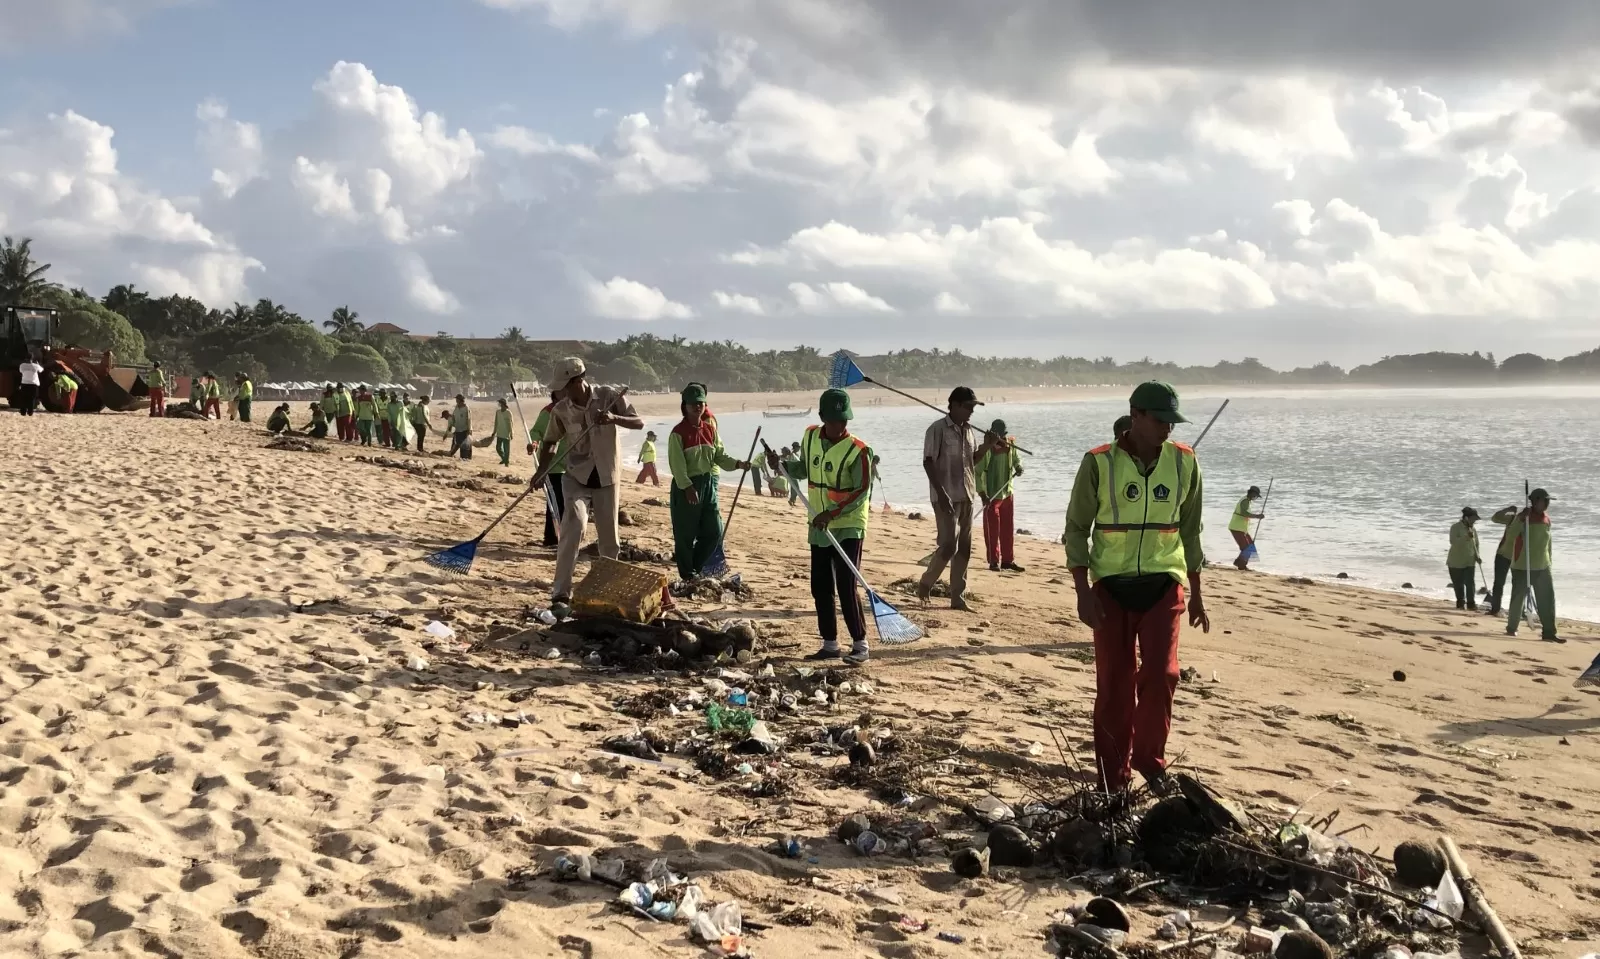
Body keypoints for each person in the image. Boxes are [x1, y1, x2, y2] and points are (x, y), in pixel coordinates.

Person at [1063, 381, 1208, 794]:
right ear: (1136, 415)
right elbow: (1076, 529)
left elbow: (1192, 531)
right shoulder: (1097, 463)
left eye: (1172, 422)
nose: (1167, 429)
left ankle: (1149, 760)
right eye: (1160, 420)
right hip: (1111, 588)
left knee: (1163, 674)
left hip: (1164, 584)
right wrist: (1082, 591)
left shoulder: (1185, 462)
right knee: (1114, 687)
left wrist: (1197, 592)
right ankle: (1114, 780)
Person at [529, 357, 643, 615]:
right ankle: (560, 593)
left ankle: (606, 592)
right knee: (574, 527)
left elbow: (638, 422)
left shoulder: (608, 396)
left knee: (610, 540)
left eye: (564, 386)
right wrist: (541, 470)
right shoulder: (560, 410)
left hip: (607, 478)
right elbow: (549, 442)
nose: (560, 392)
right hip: (576, 478)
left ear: (578, 381)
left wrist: (613, 417)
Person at [801, 388, 875, 664]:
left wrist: (832, 513)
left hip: (848, 525)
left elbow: (861, 491)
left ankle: (860, 644)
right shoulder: (810, 437)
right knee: (820, 585)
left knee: (846, 584)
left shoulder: (859, 450)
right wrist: (781, 464)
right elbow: (803, 469)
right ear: (822, 417)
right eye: (834, 420)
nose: (840, 426)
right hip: (818, 523)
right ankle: (830, 644)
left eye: (843, 420)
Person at [666, 383, 747, 581]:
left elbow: (720, 456)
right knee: (685, 533)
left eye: (701, 403)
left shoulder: (710, 429)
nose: (697, 407)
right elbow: (677, 466)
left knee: (714, 530)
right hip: (687, 485)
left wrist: (738, 464)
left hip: (708, 483)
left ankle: (696, 565)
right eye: (693, 403)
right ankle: (687, 574)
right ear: (685, 406)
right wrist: (687, 487)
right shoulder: (678, 433)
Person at [918, 386, 984, 610]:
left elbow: (971, 462)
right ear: (954, 405)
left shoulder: (969, 431)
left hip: (967, 494)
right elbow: (928, 462)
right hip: (945, 496)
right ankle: (926, 584)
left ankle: (958, 597)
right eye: (967, 407)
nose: (971, 412)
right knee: (948, 547)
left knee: (964, 548)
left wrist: (989, 447)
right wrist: (942, 494)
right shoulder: (937, 430)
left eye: (973, 407)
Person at [1502, 488, 1559, 642]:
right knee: (1518, 598)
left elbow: (1549, 544)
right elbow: (1510, 536)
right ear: (1534, 501)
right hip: (1522, 565)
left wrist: (1550, 562)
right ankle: (1511, 628)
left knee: (1547, 599)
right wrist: (1519, 519)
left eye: (1548, 501)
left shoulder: (1547, 519)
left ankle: (1549, 632)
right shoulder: (1524, 518)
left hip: (1543, 566)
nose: (1547, 504)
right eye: (1544, 501)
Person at [977, 419, 1025, 573]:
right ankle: (993, 561)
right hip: (991, 495)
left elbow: (1017, 459)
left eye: (1001, 435)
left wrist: (1018, 467)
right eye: (996, 436)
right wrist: (982, 493)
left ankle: (1007, 561)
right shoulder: (986, 450)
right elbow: (977, 473)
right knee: (992, 531)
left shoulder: (1010, 445)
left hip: (1007, 493)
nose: (1000, 439)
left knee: (1007, 529)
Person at [527, 392, 568, 546]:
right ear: (556, 396)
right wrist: (535, 442)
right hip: (551, 466)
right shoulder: (548, 412)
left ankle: (562, 536)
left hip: (569, 464)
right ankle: (551, 538)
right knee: (555, 504)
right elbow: (536, 431)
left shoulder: (571, 411)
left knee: (565, 503)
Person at [1447, 507, 1481, 611]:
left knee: (1470, 583)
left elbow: (1476, 544)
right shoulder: (1455, 527)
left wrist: (1477, 555)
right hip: (1456, 561)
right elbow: (1453, 542)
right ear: (1466, 518)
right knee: (1458, 584)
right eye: (1473, 519)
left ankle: (1471, 604)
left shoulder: (1473, 529)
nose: (1474, 521)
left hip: (1470, 561)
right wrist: (1466, 537)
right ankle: (1460, 603)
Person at [1228, 486, 1265, 570]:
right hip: (1236, 527)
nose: (1255, 497)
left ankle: (1239, 562)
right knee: (1245, 547)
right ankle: (1241, 565)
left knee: (1250, 545)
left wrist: (1256, 516)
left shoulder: (1248, 501)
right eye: (1255, 495)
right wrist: (1257, 516)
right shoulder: (1245, 501)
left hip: (1242, 528)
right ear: (1251, 493)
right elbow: (1244, 513)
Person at [447, 394, 472, 459]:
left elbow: (469, 419)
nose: (456, 400)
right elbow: (454, 417)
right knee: (458, 443)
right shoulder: (456, 407)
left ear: (461, 400)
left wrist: (469, 429)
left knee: (465, 444)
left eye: (457, 399)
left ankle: (466, 457)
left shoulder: (466, 408)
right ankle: (461, 456)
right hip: (458, 429)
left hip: (465, 429)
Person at [493, 397, 514, 466]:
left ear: (504, 404)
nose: (499, 404)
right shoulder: (498, 412)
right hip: (499, 433)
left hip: (506, 433)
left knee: (506, 449)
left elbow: (511, 424)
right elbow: (496, 422)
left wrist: (511, 433)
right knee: (498, 448)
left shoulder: (508, 413)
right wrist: (494, 431)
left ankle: (506, 462)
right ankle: (504, 458)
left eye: (500, 403)